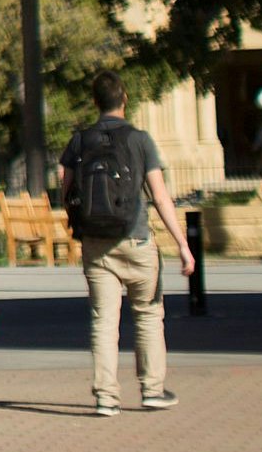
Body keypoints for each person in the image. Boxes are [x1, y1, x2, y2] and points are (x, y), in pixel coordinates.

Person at [56, 69, 191, 415]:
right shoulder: (140, 140)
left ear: (95, 101)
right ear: (124, 99)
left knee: (103, 320)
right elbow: (159, 196)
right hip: (136, 238)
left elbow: (65, 190)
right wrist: (182, 244)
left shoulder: (79, 140)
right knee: (147, 314)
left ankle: (106, 397)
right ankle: (152, 389)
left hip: (97, 244)